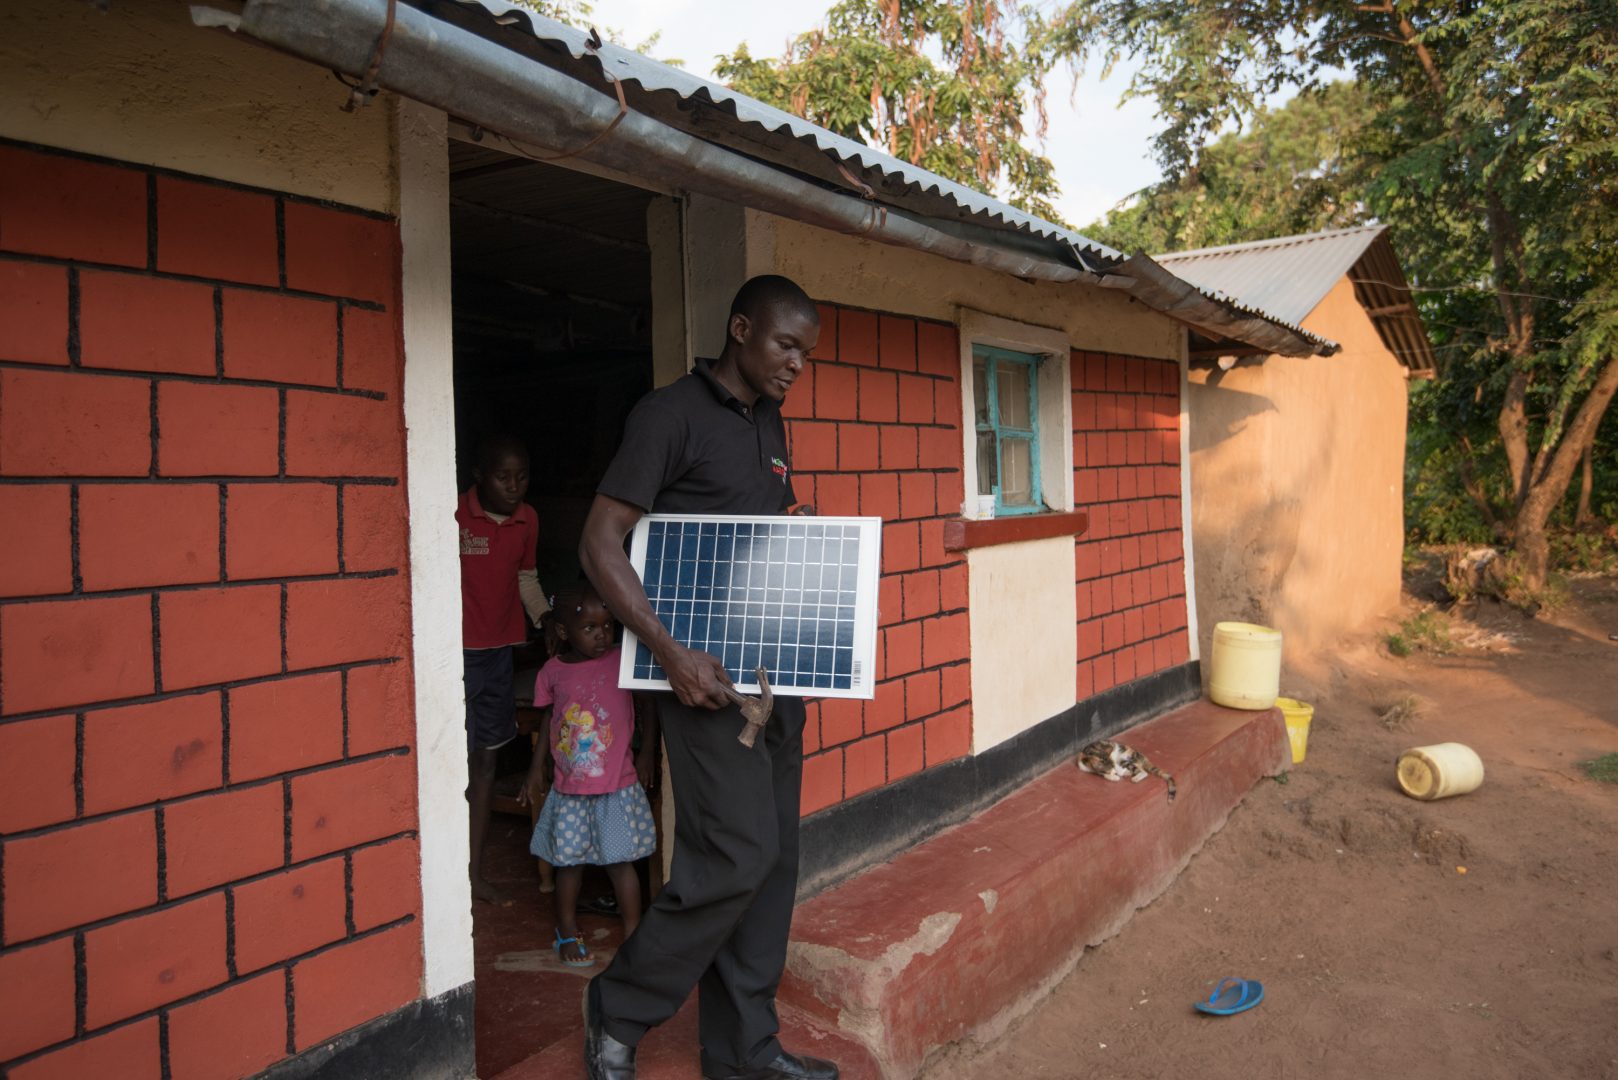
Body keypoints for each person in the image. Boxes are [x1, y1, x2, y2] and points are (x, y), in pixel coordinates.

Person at [577, 276, 837, 1080]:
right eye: (784, 345)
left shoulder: (769, 419)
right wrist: (669, 652)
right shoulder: (669, 415)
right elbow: (599, 544)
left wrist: (799, 539)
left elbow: (749, 533)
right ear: (739, 329)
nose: (797, 363)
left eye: (807, 353)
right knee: (733, 857)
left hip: (774, 678)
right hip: (701, 680)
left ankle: (743, 1053)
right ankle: (617, 1009)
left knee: (775, 863)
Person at [521, 580, 658, 967]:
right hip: (570, 790)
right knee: (569, 864)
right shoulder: (552, 672)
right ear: (564, 631)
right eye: (590, 628)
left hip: (615, 785)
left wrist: (646, 751)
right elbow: (549, 718)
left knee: (621, 864)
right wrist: (535, 771)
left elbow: (648, 704)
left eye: (608, 626)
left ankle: (634, 935)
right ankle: (566, 929)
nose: (602, 636)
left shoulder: (621, 661)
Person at [458, 434, 550, 905]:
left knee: (488, 761)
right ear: (478, 476)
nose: (514, 486)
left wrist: (545, 618)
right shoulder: (454, 514)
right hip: (453, 658)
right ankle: (446, 871)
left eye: (522, 476)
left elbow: (525, 579)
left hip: (497, 657)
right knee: (448, 763)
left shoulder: (526, 519)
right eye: (502, 476)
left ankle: (473, 873)